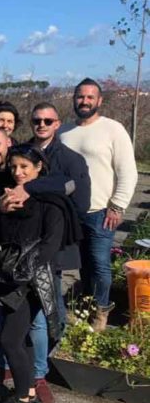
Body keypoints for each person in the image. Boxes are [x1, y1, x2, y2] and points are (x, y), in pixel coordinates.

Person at [0, 145, 65, 403]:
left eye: (24, 167)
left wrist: (21, 272)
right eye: (14, 167)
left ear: (39, 168)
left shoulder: (52, 203)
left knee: (10, 339)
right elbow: (2, 238)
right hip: (10, 276)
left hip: (32, 281)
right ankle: (29, 392)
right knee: (21, 338)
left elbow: (49, 246)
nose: (18, 172)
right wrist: (1, 213)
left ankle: (22, 401)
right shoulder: (9, 197)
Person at [60, 78, 138, 331]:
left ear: (99, 100)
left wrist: (118, 205)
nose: (84, 101)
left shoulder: (112, 129)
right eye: (80, 96)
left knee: (100, 264)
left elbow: (128, 171)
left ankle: (101, 313)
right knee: (82, 264)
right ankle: (86, 306)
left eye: (89, 97)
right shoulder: (64, 132)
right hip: (71, 212)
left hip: (101, 211)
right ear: (74, 99)